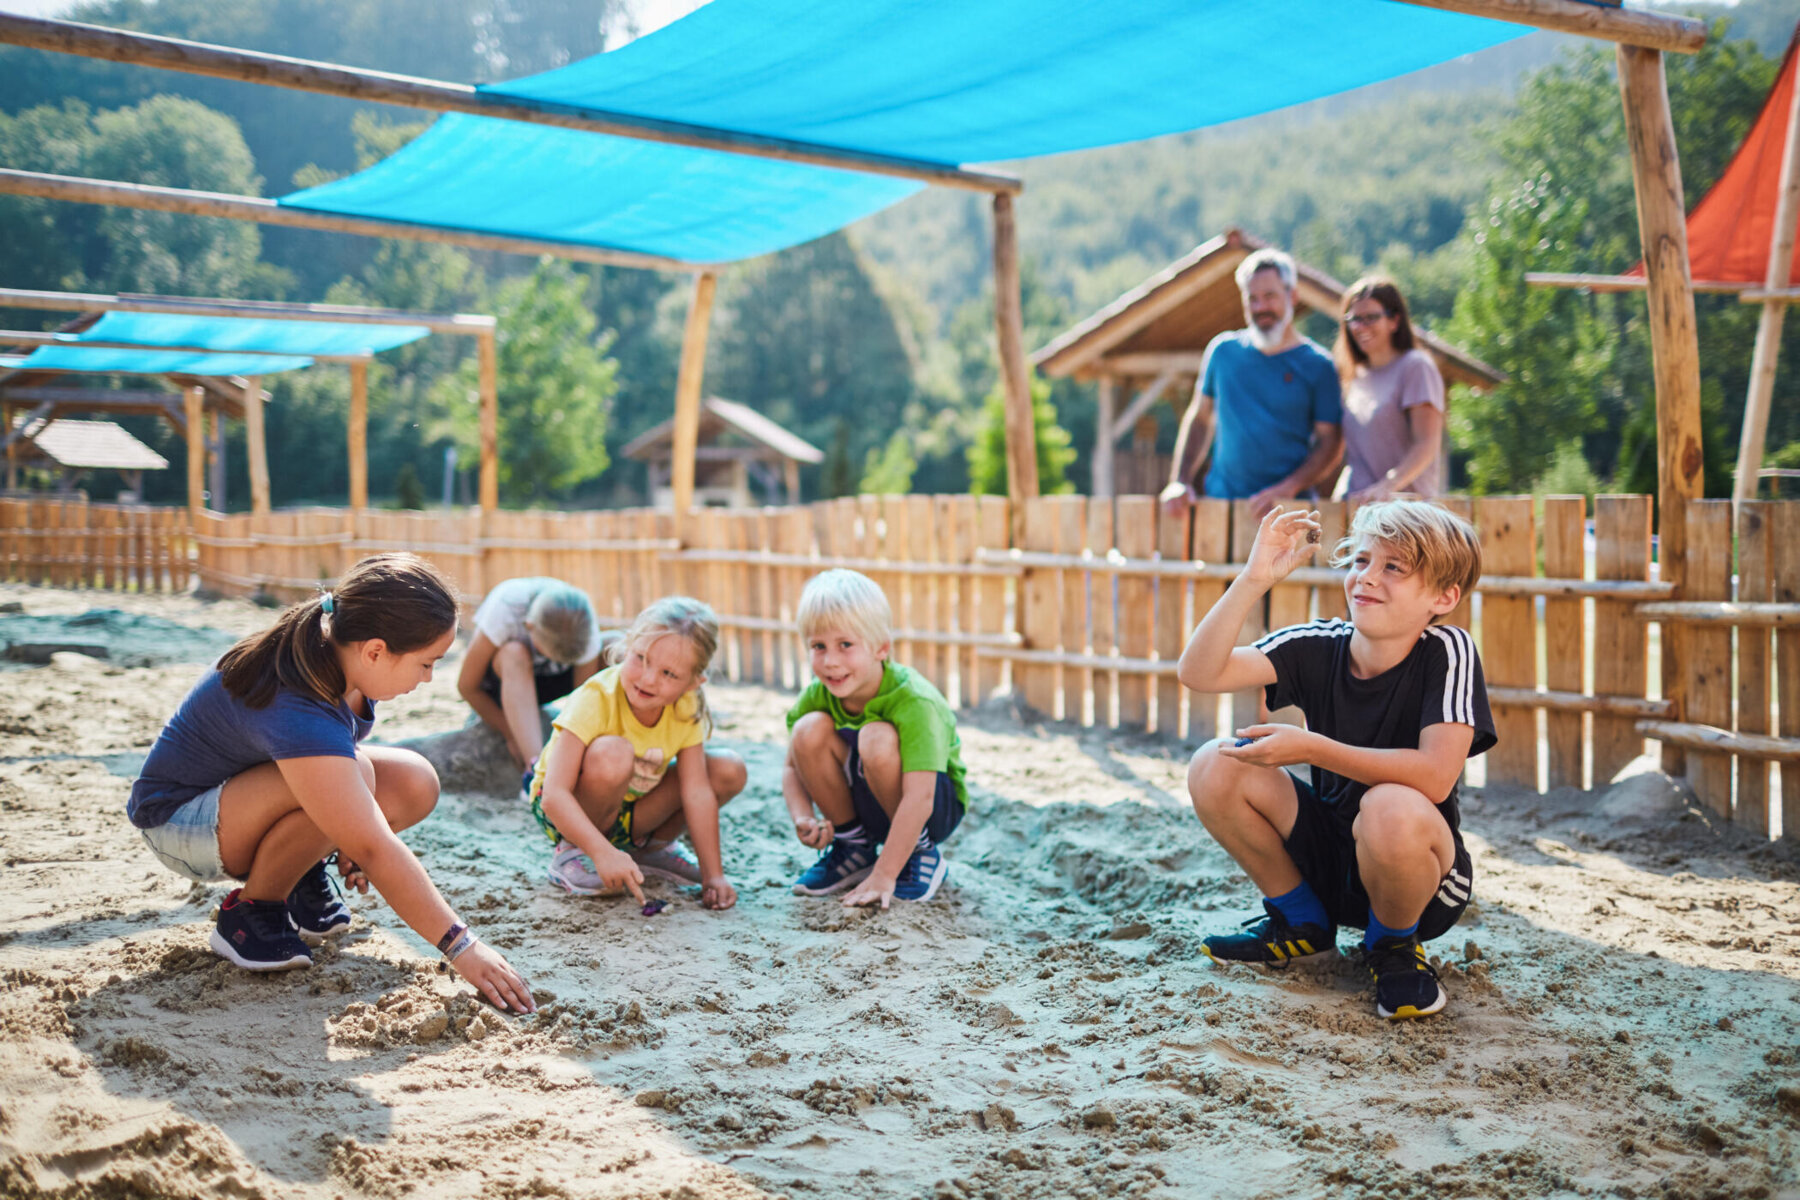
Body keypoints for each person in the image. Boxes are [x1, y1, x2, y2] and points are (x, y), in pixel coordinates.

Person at [128, 552, 534, 1012]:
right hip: (179, 825)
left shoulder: (341, 661)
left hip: (237, 800)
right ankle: (250, 913)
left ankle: (296, 872)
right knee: (355, 775)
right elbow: (377, 846)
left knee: (415, 780)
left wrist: (343, 835)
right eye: (426, 663)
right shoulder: (298, 696)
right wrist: (463, 947)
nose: (429, 678)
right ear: (375, 651)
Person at [1176, 501, 1493, 1020]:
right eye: (1361, 561)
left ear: (1443, 596)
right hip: (1330, 863)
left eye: (1393, 567)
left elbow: (1435, 779)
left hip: (1420, 879)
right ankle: (1303, 923)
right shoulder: (1318, 644)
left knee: (1389, 804)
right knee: (1216, 761)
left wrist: (1312, 747)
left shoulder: (1448, 652)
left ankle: (1392, 948)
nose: (1366, 578)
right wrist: (1254, 579)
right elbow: (1199, 672)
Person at [526, 596, 745, 910]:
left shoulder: (687, 704)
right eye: (640, 658)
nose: (648, 678)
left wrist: (714, 876)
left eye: (669, 674)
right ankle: (574, 851)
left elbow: (696, 792)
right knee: (613, 752)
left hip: (631, 811)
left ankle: (651, 849)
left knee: (727, 769)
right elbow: (554, 795)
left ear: (694, 683)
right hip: (566, 811)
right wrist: (602, 853)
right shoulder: (596, 697)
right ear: (627, 646)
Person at [783, 568, 968, 908]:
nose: (831, 661)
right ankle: (854, 847)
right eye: (818, 646)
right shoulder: (817, 694)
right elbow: (792, 769)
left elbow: (920, 798)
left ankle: (919, 853)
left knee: (876, 737)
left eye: (846, 645)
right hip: (867, 804)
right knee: (807, 729)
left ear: (881, 648)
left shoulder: (915, 701)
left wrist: (884, 875)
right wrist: (802, 816)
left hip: (928, 808)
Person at [1161, 247, 1343, 520]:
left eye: (1269, 296)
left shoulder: (1319, 365)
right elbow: (1199, 418)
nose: (1260, 308)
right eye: (1252, 298)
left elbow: (1331, 442)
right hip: (1223, 508)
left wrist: (1288, 487)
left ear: (1292, 295)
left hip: (1289, 512)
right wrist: (1180, 480)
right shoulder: (1222, 351)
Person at [457, 577, 605, 779]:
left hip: (549, 685)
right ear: (529, 626)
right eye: (545, 653)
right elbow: (467, 686)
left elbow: (582, 698)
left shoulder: (582, 622)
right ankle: (536, 771)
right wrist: (509, 732)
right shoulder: (506, 608)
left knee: (614, 645)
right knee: (514, 653)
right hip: (502, 684)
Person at [1333, 276, 1447, 501]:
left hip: (1407, 514)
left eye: (1371, 318)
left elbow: (1427, 443)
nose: (1360, 326)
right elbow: (1358, 455)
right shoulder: (1354, 376)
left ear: (1394, 321)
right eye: (1354, 319)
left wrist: (1389, 486)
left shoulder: (1415, 366)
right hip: (1360, 511)